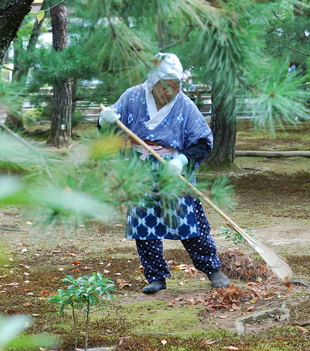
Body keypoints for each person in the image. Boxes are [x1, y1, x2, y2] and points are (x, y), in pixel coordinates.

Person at [98, 53, 230, 294]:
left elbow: (203, 141)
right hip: (140, 170)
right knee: (144, 226)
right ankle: (156, 276)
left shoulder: (185, 105)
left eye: (176, 85)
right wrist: (104, 121)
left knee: (189, 223)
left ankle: (213, 270)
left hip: (172, 170)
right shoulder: (132, 96)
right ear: (153, 81)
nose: (170, 92)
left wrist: (182, 160)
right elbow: (111, 125)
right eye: (165, 86)